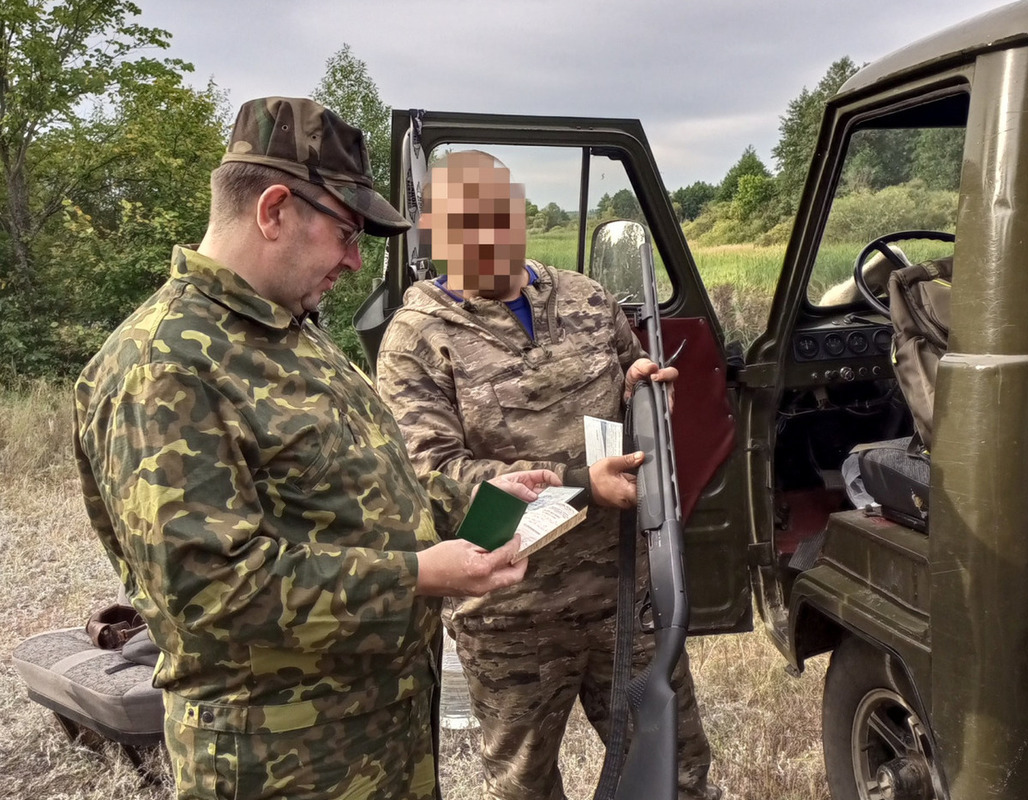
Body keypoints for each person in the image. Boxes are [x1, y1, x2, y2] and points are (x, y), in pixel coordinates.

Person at [73, 99, 556, 800]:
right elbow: (210, 591)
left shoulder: (291, 332)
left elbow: (357, 489)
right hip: (281, 763)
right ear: (274, 210)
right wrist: (418, 576)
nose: (355, 260)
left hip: (375, 739)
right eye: (345, 233)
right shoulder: (164, 366)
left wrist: (477, 501)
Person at [376, 150, 720, 800]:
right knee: (525, 790)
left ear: (521, 211)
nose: (488, 242)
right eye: (467, 229)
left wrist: (643, 393)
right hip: (510, 619)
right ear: (439, 235)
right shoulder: (418, 337)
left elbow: (627, 380)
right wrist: (583, 483)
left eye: (499, 220)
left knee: (678, 776)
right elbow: (436, 483)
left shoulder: (587, 299)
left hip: (623, 594)